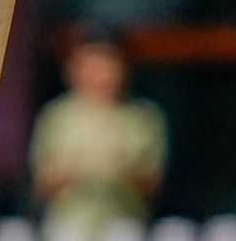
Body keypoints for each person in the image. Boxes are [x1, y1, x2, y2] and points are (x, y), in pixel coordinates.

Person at [29, 29, 167, 240]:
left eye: (108, 64)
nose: (101, 73)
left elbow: (153, 183)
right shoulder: (57, 115)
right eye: (91, 64)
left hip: (124, 222)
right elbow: (41, 182)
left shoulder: (143, 116)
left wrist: (118, 170)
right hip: (69, 224)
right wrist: (78, 170)